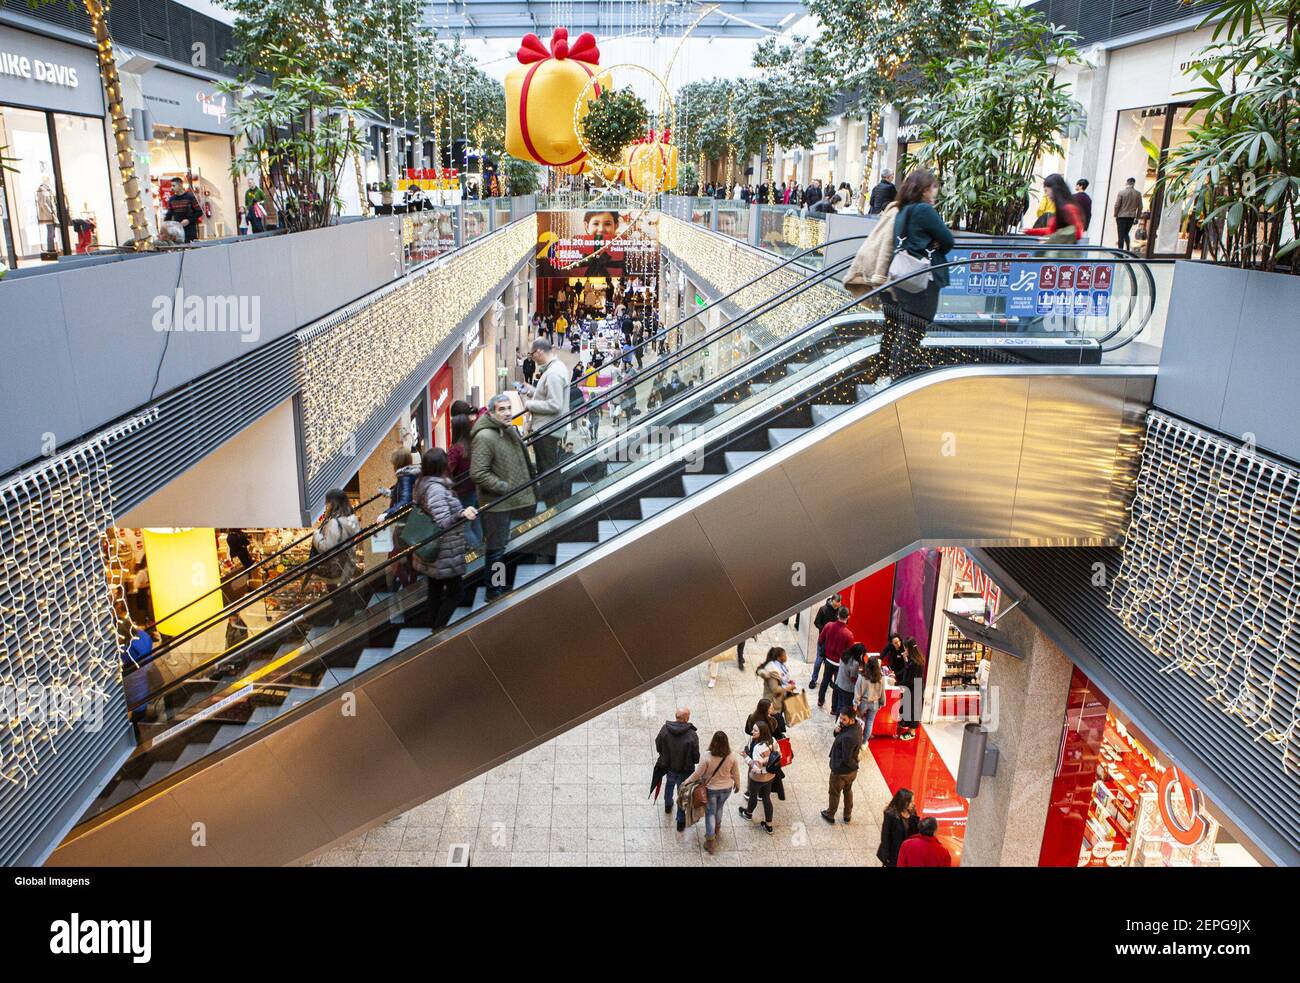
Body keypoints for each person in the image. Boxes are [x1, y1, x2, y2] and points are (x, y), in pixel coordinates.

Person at [885, 168, 953, 377]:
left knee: (906, 327)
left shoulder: (902, 210)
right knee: (915, 329)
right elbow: (949, 241)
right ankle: (901, 374)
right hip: (922, 278)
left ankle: (895, 371)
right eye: (933, 187)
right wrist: (936, 243)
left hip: (903, 275)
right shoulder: (924, 210)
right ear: (923, 190)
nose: (935, 192)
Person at [470, 394, 538, 600]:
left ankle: (499, 584)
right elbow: (478, 472)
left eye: (509, 408)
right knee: (496, 549)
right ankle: (494, 590)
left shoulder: (505, 430)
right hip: (496, 503)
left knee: (501, 545)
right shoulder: (484, 437)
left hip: (507, 501)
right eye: (502, 409)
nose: (508, 412)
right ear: (491, 413)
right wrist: (503, 487)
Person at [410, 448, 477, 628]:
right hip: (443, 551)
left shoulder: (422, 483)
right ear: (441, 466)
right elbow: (443, 521)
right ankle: (438, 628)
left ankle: (433, 624)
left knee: (435, 589)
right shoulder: (435, 489)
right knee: (456, 593)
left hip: (435, 550)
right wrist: (463, 514)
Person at [518, 338, 568, 504]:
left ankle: (553, 505)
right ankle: (553, 503)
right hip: (548, 428)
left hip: (547, 429)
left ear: (539, 351)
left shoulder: (553, 373)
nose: (532, 358)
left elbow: (555, 404)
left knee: (547, 470)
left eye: (532, 354)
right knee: (548, 469)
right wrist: (532, 391)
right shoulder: (554, 369)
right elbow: (548, 396)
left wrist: (529, 403)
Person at [685, 731, 742, 853]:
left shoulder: (707, 756)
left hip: (711, 789)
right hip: (726, 789)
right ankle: (717, 827)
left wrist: (686, 782)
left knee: (710, 812)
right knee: (719, 808)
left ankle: (710, 841)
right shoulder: (731, 756)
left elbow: (698, 774)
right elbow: (736, 773)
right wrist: (737, 784)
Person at [655, 708, 700, 832]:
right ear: (686, 718)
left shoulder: (665, 729)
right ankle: (680, 821)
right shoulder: (692, 735)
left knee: (669, 785)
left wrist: (664, 754)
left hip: (669, 766)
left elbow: (658, 744)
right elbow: (696, 757)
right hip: (685, 770)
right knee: (682, 793)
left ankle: (668, 805)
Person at [821, 705, 862, 824]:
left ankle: (830, 814)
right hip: (851, 772)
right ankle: (847, 814)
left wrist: (853, 765)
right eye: (840, 718)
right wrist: (837, 730)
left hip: (841, 772)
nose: (841, 720)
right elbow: (839, 737)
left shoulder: (849, 737)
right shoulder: (856, 726)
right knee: (848, 790)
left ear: (851, 719)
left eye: (844, 719)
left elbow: (846, 758)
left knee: (834, 793)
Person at [447, 414, 483, 550]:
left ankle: (478, 553)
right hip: (474, 489)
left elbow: (448, 471)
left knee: (464, 526)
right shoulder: (473, 444)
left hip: (461, 492)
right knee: (475, 520)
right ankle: (480, 546)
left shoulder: (456, 449)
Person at [737, 719, 780, 834]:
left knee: (753, 796)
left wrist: (746, 757)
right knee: (766, 798)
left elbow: (756, 768)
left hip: (758, 778)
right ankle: (769, 825)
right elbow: (777, 755)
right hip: (770, 776)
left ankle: (748, 814)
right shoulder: (773, 741)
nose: (752, 732)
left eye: (755, 730)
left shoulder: (758, 748)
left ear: (762, 732)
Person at [1024, 173, 1085, 243]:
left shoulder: (1068, 209)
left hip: (1062, 252)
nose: (1046, 194)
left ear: (1054, 189)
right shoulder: (1062, 207)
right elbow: (1051, 230)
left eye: (1046, 191)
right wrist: (1028, 231)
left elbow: (1078, 233)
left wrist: (1052, 239)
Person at [816, 605, 854, 710]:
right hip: (840, 663)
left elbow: (820, 641)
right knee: (837, 686)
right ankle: (833, 708)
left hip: (828, 659)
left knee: (825, 681)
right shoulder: (849, 635)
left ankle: (820, 700)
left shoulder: (828, 626)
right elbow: (850, 653)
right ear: (848, 617)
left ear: (837, 615)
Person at [877, 788, 920, 867]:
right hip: (894, 850)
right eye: (911, 801)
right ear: (904, 802)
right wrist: (885, 854)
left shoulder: (912, 811)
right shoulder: (890, 815)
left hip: (908, 850)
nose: (913, 803)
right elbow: (885, 835)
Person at [808, 593, 841, 689]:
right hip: (823, 640)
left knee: (830, 663)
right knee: (819, 661)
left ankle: (829, 680)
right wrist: (825, 630)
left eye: (839, 605)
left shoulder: (840, 610)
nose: (837, 606)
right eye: (836, 604)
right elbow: (816, 622)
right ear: (832, 601)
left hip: (834, 642)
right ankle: (813, 680)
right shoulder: (823, 609)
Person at [895, 638, 926, 740]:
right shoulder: (914, 659)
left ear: (907, 648)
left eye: (905, 647)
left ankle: (911, 732)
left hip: (914, 688)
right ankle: (905, 723)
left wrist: (896, 683)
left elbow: (909, 679)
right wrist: (905, 659)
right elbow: (908, 671)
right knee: (907, 707)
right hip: (913, 687)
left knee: (912, 709)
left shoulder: (915, 663)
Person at [379, 448, 421, 520]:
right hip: (408, 518)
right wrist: (390, 493)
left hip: (405, 520)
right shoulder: (409, 475)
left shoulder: (405, 477)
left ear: (397, 464)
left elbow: (405, 500)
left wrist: (387, 513)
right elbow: (404, 493)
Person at [755, 646, 797, 717]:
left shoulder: (781, 666)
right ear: (778, 657)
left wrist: (788, 684)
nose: (786, 657)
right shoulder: (773, 671)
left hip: (778, 702)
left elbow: (782, 680)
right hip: (772, 705)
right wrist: (787, 688)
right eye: (784, 655)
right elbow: (775, 689)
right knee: (775, 725)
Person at [854, 654, 885, 745]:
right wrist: (882, 703)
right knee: (870, 722)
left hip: (863, 702)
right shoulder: (881, 678)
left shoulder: (862, 676)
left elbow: (858, 691)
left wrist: (855, 703)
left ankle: (856, 740)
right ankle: (864, 742)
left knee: (858, 721)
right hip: (875, 703)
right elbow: (882, 692)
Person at [833, 642, 865, 717]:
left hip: (839, 683)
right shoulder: (855, 663)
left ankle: (837, 722)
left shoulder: (844, 655)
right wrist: (860, 677)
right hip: (847, 689)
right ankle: (841, 724)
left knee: (840, 705)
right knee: (845, 709)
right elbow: (853, 678)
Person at [1113, 177, 1143, 251]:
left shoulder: (1121, 193)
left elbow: (1117, 205)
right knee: (1126, 233)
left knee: (1121, 235)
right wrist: (1137, 218)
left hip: (1121, 216)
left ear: (1127, 183)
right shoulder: (1138, 194)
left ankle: (1120, 252)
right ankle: (1128, 249)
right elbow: (1140, 207)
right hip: (1131, 217)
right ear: (1133, 184)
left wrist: (1115, 214)